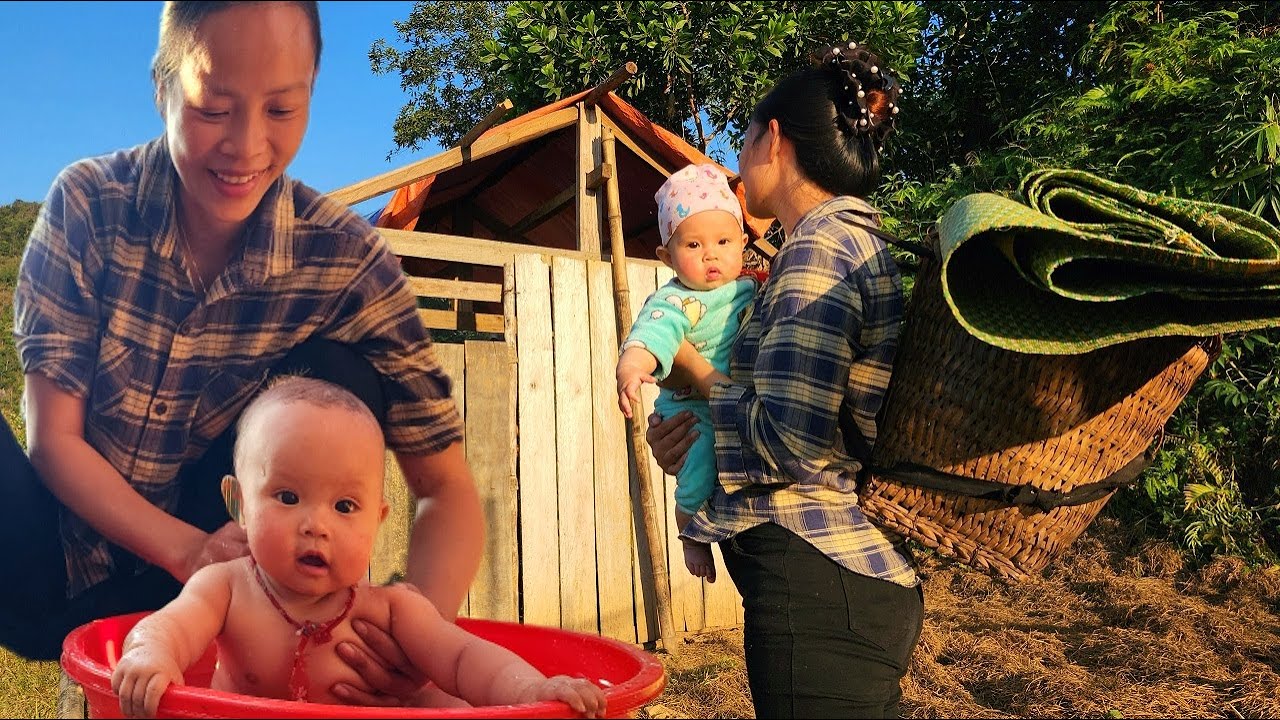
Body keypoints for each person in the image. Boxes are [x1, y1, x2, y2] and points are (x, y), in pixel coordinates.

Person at [3, 2, 483, 704]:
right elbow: (53, 440)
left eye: (281, 110)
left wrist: (409, 643)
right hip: (61, 568)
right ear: (164, 87)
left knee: (337, 379)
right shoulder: (88, 206)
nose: (247, 145)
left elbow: (447, 490)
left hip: (242, 587)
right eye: (214, 107)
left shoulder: (349, 263)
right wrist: (188, 552)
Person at [642, 42, 925, 718]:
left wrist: (695, 372)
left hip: (822, 585)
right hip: (827, 587)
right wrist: (683, 438)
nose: (740, 164)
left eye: (741, 141)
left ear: (773, 141)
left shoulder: (823, 250)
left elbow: (787, 442)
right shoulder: (819, 246)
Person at [110, 376, 606, 718]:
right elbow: (168, 627)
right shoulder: (224, 589)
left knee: (443, 702)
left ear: (378, 519)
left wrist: (531, 691)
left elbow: (464, 659)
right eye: (287, 497)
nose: (316, 525)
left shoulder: (388, 610)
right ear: (238, 504)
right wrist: (150, 657)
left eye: (345, 507)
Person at [615, 163, 756, 583]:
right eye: (693, 245)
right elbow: (650, 336)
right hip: (693, 411)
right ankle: (689, 527)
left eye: (723, 241)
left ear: (743, 244)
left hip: (734, 406)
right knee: (698, 469)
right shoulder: (673, 301)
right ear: (667, 257)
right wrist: (632, 367)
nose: (710, 253)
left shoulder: (751, 286)